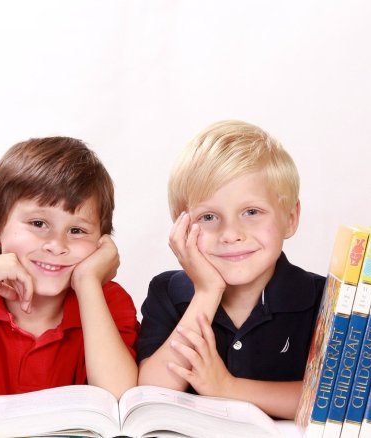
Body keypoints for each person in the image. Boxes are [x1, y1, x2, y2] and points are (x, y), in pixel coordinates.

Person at [0, 137, 139, 416]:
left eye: (77, 231)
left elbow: (121, 406)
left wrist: (87, 283)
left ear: (102, 242)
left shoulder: (108, 303)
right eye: (38, 223)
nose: (57, 245)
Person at [136, 120, 326, 419]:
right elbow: (150, 392)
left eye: (251, 212)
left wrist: (227, 387)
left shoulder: (321, 298)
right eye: (209, 216)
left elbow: (330, 401)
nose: (230, 234)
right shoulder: (168, 291)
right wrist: (207, 291)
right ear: (182, 226)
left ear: (290, 218)